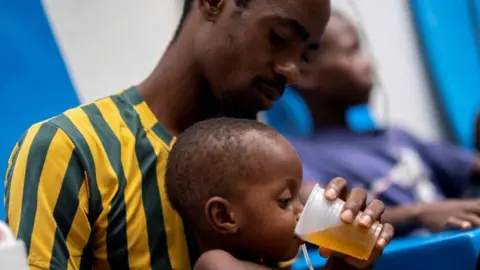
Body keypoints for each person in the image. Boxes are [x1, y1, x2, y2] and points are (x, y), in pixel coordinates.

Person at [4, 1, 392, 269]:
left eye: (306, 54)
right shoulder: (73, 149)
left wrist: (344, 265)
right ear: (213, 1)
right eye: (278, 36)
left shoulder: (262, 167)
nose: (292, 70)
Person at [289, 11, 480, 237]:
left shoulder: (396, 136)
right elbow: (315, 217)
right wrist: (419, 214)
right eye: (352, 51)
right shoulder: (299, 156)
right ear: (305, 75)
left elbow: (471, 167)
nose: (367, 62)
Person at [166, 117, 393, 270]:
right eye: (284, 201)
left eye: (297, 198)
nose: (301, 210)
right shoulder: (215, 264)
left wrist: (345, 263)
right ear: (224, 216)